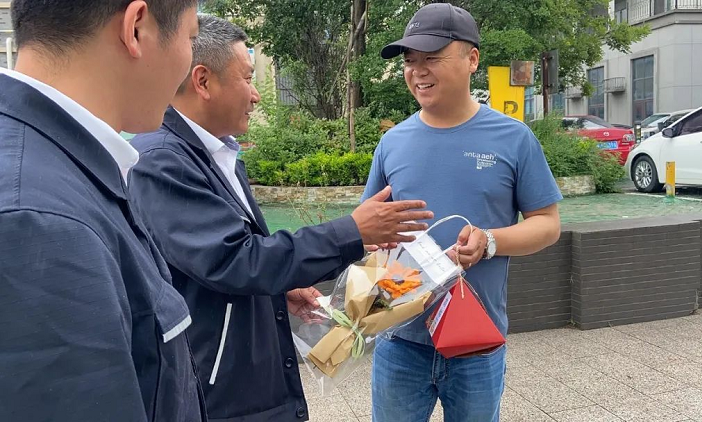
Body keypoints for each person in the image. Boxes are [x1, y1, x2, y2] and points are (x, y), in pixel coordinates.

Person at [127, 15, 434, 422]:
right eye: (247, 78)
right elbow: (235, 260)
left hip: (246, 377)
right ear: (203, 81)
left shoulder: (219, 155)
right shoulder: (162, 162)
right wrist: (352, 231)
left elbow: (231, 258)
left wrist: (279, 290)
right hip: (217, 392)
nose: (256, 95)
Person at [0, 1, 205, 421]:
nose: (188, 63)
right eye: (191, 38)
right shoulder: (40, 224)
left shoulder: (60, 166)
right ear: (136, 28)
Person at [364, 3, 563, 421]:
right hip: (399, 339)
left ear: (472, 59)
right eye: (410, 60)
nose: (418, 71)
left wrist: (490, 240)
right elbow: (368, 227)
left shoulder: (513, 138)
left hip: (476, 341)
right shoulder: (392, 143)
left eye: (432, 58)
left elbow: (547, 225)